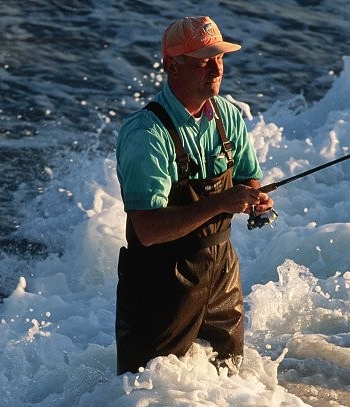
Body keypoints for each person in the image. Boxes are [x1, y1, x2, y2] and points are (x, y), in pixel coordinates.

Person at [115, 16, 273, 375]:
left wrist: (256, 199)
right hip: (160, 283)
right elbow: (149, 231)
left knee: (230, 384)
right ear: (172, 66)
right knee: (148, 395)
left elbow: (250, 180)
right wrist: (220, 202)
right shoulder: (146, 135)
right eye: (204, 60)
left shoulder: (228, 115)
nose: (216, 69)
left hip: (222, 275)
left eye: (220, 58)